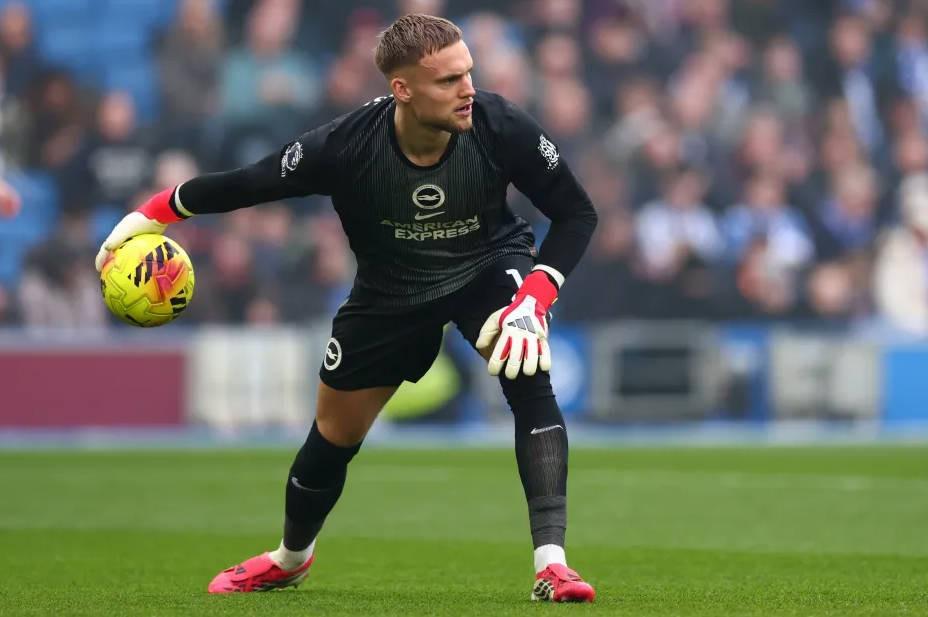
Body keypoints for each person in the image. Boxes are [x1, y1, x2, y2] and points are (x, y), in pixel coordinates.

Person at [95, 14, 597, 602]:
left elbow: (577, 213)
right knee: (334, 434)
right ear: (402, 89)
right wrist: (148, 214)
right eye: (448, 80)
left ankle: (552, 566)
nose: (467, 89)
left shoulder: (499, 124)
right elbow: (248, 183)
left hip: (486, 266)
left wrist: (535, 296)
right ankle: (290, 559)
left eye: (468, 73)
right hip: (390, 292)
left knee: (528, 368)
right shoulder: (346, 144)